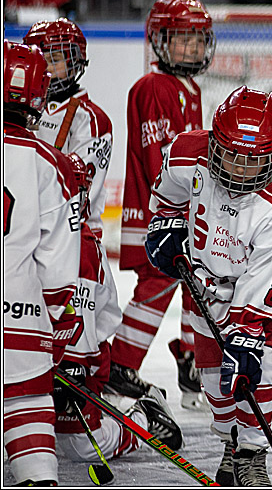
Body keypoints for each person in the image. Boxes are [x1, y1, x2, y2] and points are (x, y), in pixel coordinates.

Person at [145, 86, 272, 487]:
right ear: (214, 142)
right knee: (216, 382)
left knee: (259, 370)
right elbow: (166, 196)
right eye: (232, 156)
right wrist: (165, 225)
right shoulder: (187, 153)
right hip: (206, 286)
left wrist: (248, 336)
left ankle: (252, 452)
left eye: (253, 161)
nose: (240, 170)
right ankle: (230, 443)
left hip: (270, 292)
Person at [109, 0, 215, 410]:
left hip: (183, 211)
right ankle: (121, 362)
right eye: (181, 38)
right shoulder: (153, 87)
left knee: (198, 280)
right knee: (157, 284)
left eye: (196, 39)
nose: (190, 47)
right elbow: (161, 162)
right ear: (159, 40)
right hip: (158, 212)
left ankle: (192, 363)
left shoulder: (188, 88)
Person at [54, 154, 183, 463]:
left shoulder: (83, 250)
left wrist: (73, 366)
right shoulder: (18, 237)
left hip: (63, 367)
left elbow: (98, 329)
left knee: (82, 447)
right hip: (26, 359)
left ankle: (144, 418)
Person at [3, 41, 80, 485]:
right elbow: (59, 263)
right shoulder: (50, 162)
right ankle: (36, 475)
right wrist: (56, 323)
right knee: (27, 402)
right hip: (22, 319)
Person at [23, 18, 113, 238]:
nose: (46, 67)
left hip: (75, 236)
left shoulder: (90, 119)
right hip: (26, 230)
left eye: (54, 59)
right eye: (40, 59)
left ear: (75, 61)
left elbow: (81, 195)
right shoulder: (19, 109)